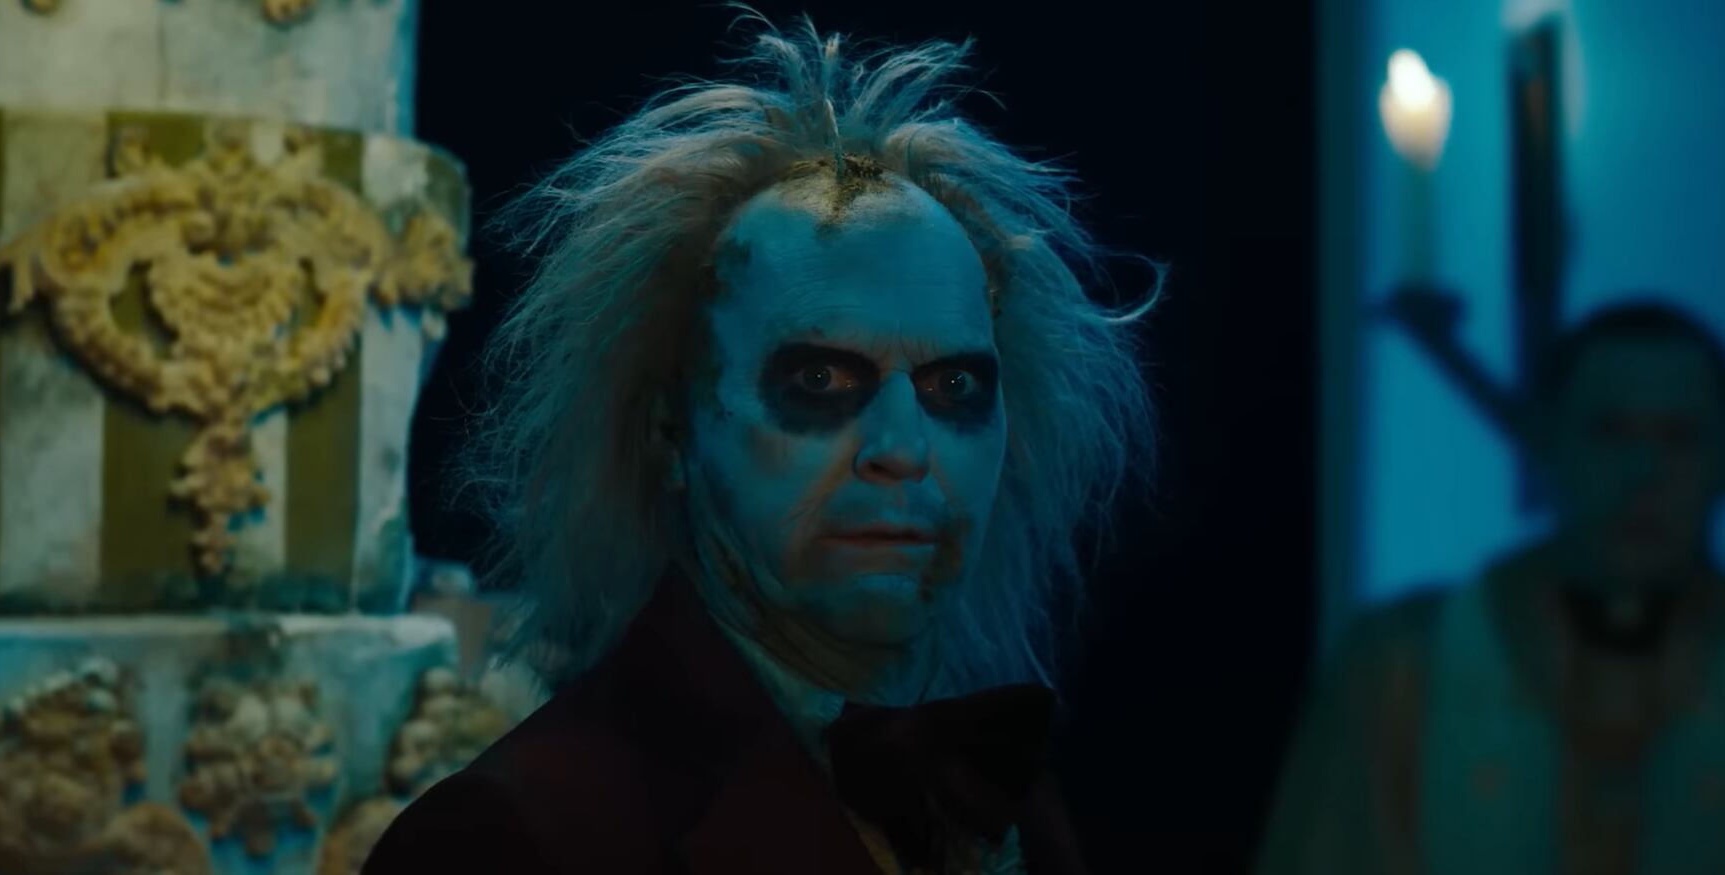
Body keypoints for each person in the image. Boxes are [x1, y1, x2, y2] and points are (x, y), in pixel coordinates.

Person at [364, 12, 1154, 875]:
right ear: (670, 426)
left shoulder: (1005, 799)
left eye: (953, 388)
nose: (903, 448)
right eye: (820, 380)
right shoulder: (514, 835)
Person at [1256, 300, 1725, 875]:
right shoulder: (1403, 669)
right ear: (1549, 440)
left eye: (1681, 437)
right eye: (1610, 431)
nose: (1644, 472)